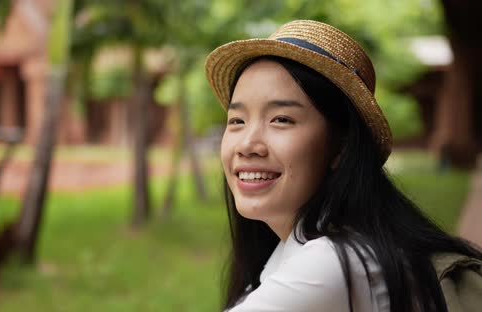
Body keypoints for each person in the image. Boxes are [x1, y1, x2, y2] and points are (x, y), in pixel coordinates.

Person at [205, 20, 482, 312]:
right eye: (237, 121)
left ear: (343, 146)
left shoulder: (335, 262)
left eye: (281, 119)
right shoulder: (308, 246)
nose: (248, 145)